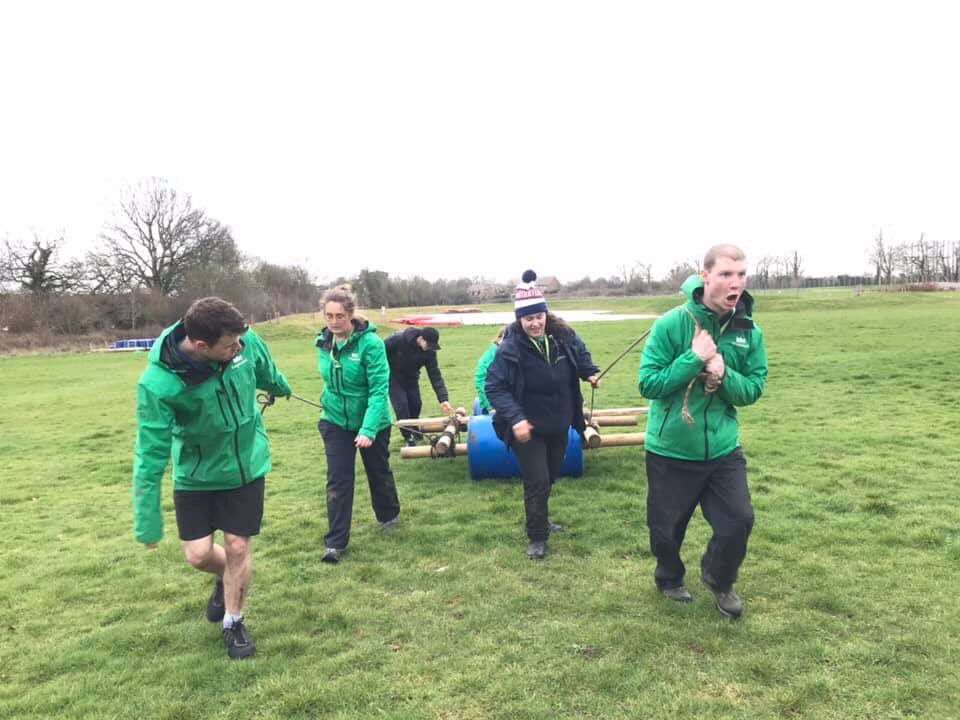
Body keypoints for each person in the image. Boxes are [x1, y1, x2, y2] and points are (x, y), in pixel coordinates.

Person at [132, 297, 292, 659]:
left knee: (238, 545)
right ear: (201, 346)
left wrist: (280, 386)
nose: (239, 347)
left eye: (240, 339)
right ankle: (226, 577)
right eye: (229, 345)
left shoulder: (243, 341)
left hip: (246, 465)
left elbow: (263, 366)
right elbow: (150, 450)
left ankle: (234, 621)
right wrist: (147, 521)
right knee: (199, 555)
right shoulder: (159, 384)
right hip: (197, 474)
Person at [638, 244, 768, 618]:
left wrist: (724, 374)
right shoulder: (671, 324)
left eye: (741, 274)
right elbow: (648, 384)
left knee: (739, 521)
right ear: (705, 275)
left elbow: (754, 389)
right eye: (726, 274)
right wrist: (692, 359)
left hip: (723, 449)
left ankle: (719, 578)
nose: (736, 283)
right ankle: (668, 577)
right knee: (666, 529)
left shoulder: (749, 331)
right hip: (671, 449)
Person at [485, 270, 600, 560]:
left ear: (546, 315)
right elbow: (494, 386)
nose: (535, 323)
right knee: (536, 480)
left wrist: (589, 372)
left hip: (560, 421)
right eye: (528, 319)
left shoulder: (563, 338)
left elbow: (580, 353)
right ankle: (537, 537)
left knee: (548, 477)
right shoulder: (509, 349)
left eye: (539, 317)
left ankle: (542, 517)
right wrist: (517, 419)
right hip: (528, 427)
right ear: (519, 320)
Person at [315, 285, 400, 564]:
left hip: (372, 420)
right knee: (338, 478)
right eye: (329, 315)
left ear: (351, 315)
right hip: (336, 420)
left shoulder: (371, 344)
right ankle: (336, 543)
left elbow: (378, 390)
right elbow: (330, 381)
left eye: (339, 316)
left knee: (377, 470)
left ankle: (389, 515)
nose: (334, 321)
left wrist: (368, 429)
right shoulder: (323, 342)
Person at [384, 326, 454, 446]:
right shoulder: (398, 340)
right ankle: (408, 437)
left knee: (416, 404)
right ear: (421, 339)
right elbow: (378, 352)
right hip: (393, 377)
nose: (429, 348)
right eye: (428, 344)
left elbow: (435, 375)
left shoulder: (430, 352)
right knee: (402, 406)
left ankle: (414, 428)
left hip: (411, 378)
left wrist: (443, 399)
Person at [474, 327, 506, 414]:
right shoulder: (491, 356)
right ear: (500, 338)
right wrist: (490, 406)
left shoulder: (506, 353)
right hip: (494, 406)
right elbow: (481, 381)